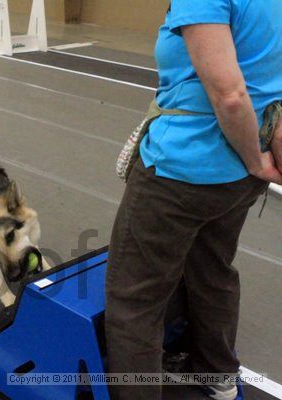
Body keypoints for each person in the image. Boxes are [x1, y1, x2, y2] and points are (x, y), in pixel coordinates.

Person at [105, 1, 282, 399]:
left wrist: (256, 162)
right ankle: (216, 373)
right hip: (237, 176)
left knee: (135, 302)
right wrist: (259, 153)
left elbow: (231, 96)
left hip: (184, 172)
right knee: (212, 269)